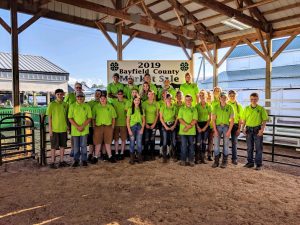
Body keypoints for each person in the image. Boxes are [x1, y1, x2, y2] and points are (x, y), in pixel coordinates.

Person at [241, 92, 268, 170]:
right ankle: (250, 163)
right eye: (252, 99)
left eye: (255, 99)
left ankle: (258, 164)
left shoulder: (261, 108)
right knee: (249, 147)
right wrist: (243, 128)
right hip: (249, 129)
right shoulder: (246, 108)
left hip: (257, 129)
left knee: (258, 148)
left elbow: (264, 120)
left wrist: (262, 130)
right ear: (250, 99)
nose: (253, 100)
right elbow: (244, 119)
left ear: (257, 99)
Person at [68, 92, 92, 167]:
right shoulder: (72, 106)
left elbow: (89, 117)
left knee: (84, 145)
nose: (79, 98)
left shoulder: (87, 106)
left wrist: (82, 126)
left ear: (84, 97)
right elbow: (70, 118)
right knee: (76, 146)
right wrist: (77, 127)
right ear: (76, 97)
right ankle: (76, 160)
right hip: (75, 130)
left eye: (81, 96)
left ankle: (84, 160)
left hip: (84, 130)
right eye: (78, 96)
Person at [46, 89, 68, 169]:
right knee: (53, 146)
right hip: (54, 129)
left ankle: (61, 161)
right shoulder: (51, 104)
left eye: (61, 94)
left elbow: (67, 117)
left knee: (62, 146)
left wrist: (67, 127)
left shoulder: (65, 104)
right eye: (58, 94)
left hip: (63, 129)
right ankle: (52, 162)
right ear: (55, 95)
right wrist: (50, 129)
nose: (59, 95)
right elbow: (50, 118)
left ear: (63, 95)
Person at [92, 94, 117, 163]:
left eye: (104, 98)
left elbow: (113, 118)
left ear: (106, 99)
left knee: (107, 142)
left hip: (108, 127)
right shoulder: (96, 107)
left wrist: (112, 127)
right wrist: (94, 126)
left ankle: (110, 156)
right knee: (98, 142)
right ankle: (96, 157)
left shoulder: (110, 107)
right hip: (98, 127)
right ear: (99, 99)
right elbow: (93, 118)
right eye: (101, 98)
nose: (103, 100)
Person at [211, 91, 234, 168]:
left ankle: (224, 161)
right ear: (219, 98)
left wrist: (229, 131)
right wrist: (215, 130)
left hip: (226, 127)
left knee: (226, 145)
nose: (223, 99)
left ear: (226, 98)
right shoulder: (216, 107)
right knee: (216, 145)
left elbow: (232, 120)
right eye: (222, 97)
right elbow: (213, 120)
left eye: (224, 97)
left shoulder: (230, 107)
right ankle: (216, 161)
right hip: (217, 126)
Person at [178, 94, 198, 166]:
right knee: (183, 146)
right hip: (183, 131)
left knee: (191, 146)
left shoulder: (194, 109)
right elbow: (180, 119)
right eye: (186, 100)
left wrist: (188, 127)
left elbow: (195, 119)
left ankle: (191, 160)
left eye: (189, 99)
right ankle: (183, 160)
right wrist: (187, 126)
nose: (188, 101)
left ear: (192, 100)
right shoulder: (181, 109)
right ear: (185, 100)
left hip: (191, 132)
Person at [127, 96, 145, 164]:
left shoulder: (141, 109)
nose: (137, 101)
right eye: (135, 100)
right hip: (132, 127)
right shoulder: (130, 109)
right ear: (133, 101)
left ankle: (139, 157)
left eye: (138, 100)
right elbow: (127, 121)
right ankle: (132, 158)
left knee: (139, 143)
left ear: (140, 101)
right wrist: (129, 130)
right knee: (132, 143)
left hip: (139, 127)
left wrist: (142, 129)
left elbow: (143, 120)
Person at [142, 90, 160, 160]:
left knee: (152, 139)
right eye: (149, 94)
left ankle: (152, 154)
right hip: (146, 123)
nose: (151, 95)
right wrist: (145, 123)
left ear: (153, 95)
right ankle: (146, 154)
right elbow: (143, 115)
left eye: (152, 94)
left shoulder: (156, 103)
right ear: (147, 95)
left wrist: (154, 124)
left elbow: (157, 115)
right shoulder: (144, 103)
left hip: (153, 123)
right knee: (146, 139)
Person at [160, 93, 178, 163]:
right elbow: (161, 118)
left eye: (170, 98)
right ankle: (164, 156)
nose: (169, 100)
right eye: (168, 98)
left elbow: (177, 118)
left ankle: (173, 155)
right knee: (164, 141)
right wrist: (165, 126)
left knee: (173, 141)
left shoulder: (174, 107)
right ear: (165, 99)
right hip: (165, 125)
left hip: (173, 124)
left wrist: (174, 126)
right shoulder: (162, 107)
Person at [227, 90, 243, 165]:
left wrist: (239, 128)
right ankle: (225, 157)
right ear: (228, 96)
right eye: (230, 96)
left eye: (233, 96)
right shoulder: (226, 104)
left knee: (234, 142)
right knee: (225, 142)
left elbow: (240, 118)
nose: (232, 97)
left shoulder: (238, 106)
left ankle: (234, 158)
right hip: (227, 124)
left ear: (235, 96)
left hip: (235, 125)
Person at [195, 90, 211, 164]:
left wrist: (205, 127)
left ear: (206, 96)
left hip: (206, 124)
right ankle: (197, 158)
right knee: (198, 142)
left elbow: (210, 118)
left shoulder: (209, 105)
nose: (201, 97)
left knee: (204, 142)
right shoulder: (197, 106)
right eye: (200, 95)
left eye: (203, 95)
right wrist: (197, 127)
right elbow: (195, 117)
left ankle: (203, 158)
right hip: (198, 124)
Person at [111, 90, 128, 160]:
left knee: (123, 139)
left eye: (121, 94)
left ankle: (122, 152)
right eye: (118, 94)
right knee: (116, 139)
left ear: (123, 94)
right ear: (117, 95)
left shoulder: (126, 102)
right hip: (116, 123)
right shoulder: (113, 102)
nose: (120, 95)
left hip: (124, 123)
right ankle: (116, 152)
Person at [207, 86, 222, 161]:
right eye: (215, 91)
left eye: (218, 91)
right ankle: (209, 154)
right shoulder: (210, 101)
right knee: (210, 140)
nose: (216, 92)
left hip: (218, 123)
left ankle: (216, 153)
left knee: (217, 140)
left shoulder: (221, 102)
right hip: (210, 123)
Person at [87, 89, 102, 162]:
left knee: (99, 141)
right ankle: (90, 154)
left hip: (100, 125)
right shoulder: (90, 103)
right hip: (91, 125)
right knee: (91, 141)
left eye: (99, 93)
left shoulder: (103, 102)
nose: (97, 94)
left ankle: (98, 154)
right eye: (96, 93)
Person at [174, 90, 185, 161]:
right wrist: (177, 120)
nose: (179, 97)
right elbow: (174, 114)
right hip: (176, 124)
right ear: (176, 97)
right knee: (177, 140)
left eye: (180, 96)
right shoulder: (174, 105)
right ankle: (177, 155)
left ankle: (182, 155)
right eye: (178, 96)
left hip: (183, 124)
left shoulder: (185, 104)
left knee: (182, 140)